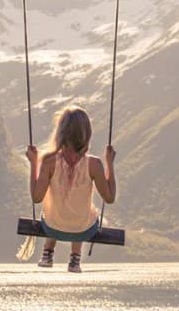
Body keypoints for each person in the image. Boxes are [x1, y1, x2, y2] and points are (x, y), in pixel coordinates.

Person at [25, 106, 117, 273]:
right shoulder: (94, 164)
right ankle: (75, 259)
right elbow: (110, 198)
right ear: (87, 134)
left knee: (52, 208)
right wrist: (109, 164)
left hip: (52, 227)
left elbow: (36, 197)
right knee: (86, 211)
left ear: (61, 132)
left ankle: (47, 253)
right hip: (84, 230)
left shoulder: (49, 161)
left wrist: (34, 163)